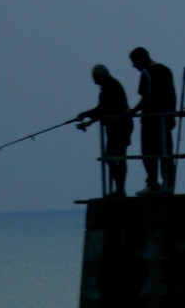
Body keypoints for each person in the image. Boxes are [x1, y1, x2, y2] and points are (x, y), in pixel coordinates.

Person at [76, 64, 132, 197]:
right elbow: (103, 111)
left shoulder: (110, 87)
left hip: (120, 127)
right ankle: (118, 189)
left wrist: (84, 115)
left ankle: (119, 189)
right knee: (113, 157)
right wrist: (88, 122)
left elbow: (102, 110)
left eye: (95, 77)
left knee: (117, 157)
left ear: (101, 76)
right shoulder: (109, 86)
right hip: (116, 126)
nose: (94, 81)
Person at [129, 47, 177, 193]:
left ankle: (152, 184)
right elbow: (172, 95)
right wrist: (171, 115)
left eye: (134, 62)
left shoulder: (146, 72)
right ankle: (168, 185)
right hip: (165, 119)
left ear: (140, 59)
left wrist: (132, 111)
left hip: (150, 120)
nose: (133, 66)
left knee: (148, 153)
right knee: (166, 153)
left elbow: (146, 98)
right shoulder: (166, 70)